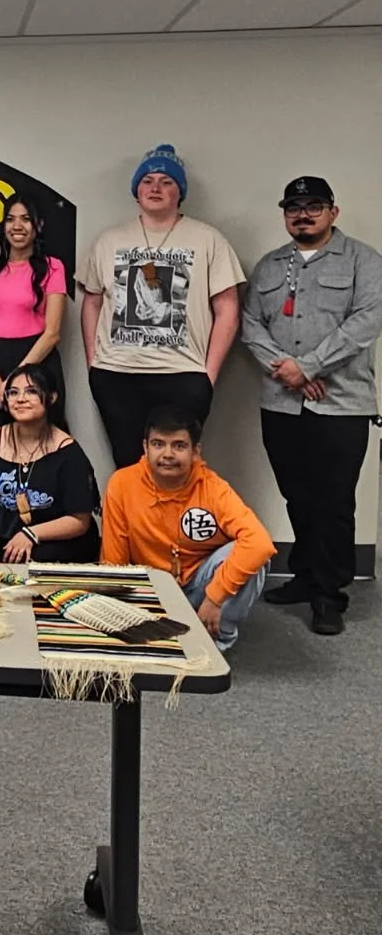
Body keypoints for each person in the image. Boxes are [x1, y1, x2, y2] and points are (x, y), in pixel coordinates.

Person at [242, 176, 382, 636]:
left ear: (332, 212)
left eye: (314, 206)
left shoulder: (364, 261)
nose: (303, 214)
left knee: (334, 501)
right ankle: (305, 576)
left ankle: (329, 594)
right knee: (296, 494)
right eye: (294, 207)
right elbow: (250, 325)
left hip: (341, 404)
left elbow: (366, 321)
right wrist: (288, 371)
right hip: (281, 404)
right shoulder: (268, 266)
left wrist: (309, 367)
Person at [80, 143, 244, 468]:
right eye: (147, 180)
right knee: (128, 468)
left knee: (178, 468)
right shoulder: (109, 240)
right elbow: (92, 301)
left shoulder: (208, 239)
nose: (155, 188)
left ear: (180, 191)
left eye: (166, 181)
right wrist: (94, 364)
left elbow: (228, 310)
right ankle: (133, 523)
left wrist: (206, 376)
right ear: (136, 190)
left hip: (182, 374)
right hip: (117, 374)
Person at [101, 405, 275, 650]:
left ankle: (217, 640)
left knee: (252, 556)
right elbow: (114, 562)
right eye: (158, 444)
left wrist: (214, 598)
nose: (168, 454)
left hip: (199, 588)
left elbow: (260, 543)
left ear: (195, 451)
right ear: (145, 447)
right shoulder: (121, 483)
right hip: (152, 589)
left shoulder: (213, 488)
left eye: (179, 446)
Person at [0, 363, 98, 564]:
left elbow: (80, 521)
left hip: (55, 549)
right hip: (5, 546)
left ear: (51, 398)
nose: (20, 399)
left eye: (31, 391)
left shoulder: (68, 452)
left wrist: (30, 534)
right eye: (13, 392)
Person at [0, 193, 68, 436]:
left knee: (45, 445)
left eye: (25, 219)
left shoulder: (53, 267)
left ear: (38, 225)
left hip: (38, 363)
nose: (17, 226)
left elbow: (53, 333)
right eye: (10, 219)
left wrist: (17, 380)